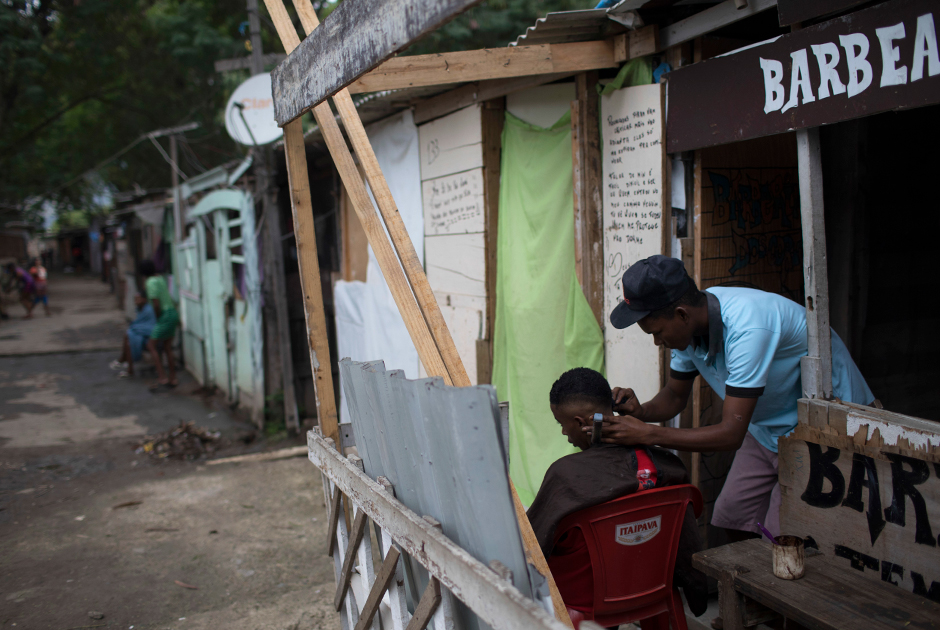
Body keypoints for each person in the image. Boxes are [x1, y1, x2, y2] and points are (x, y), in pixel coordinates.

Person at [597, 255, 874, 539]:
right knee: (730, 521)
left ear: (681, 314)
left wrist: (646, 435)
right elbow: (673, 396)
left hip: (823, 431)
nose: (657, 342)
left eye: (657, 333)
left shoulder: (748, 327)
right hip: (766, 428)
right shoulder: (689, 327)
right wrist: (640, 412)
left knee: (783, 543)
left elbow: (730, 435)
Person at [527, 367, 708, 619]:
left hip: (585, 597)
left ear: (580, 423)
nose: (563, 432)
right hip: (654, 586)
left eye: (562, 424)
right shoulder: (667, 465)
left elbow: (533, 542)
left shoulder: (565, 475)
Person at [138, 259, 179, 390]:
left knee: (151, 345)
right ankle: (173, 378)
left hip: (165, 314)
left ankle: (162, 377)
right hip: (172, 312)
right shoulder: (160, 278)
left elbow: (156, 304)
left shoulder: (150, 282)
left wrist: (157, 318)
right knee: (167, 347)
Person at [110, 294, 157, 378]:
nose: (136, 302)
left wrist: (135, 328)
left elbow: (150, 326)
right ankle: (127, 365)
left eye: (138, 299)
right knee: (129, 338)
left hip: (149, 336)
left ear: (144, 299)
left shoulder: (148, 310)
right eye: (135, 300)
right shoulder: (140, 309)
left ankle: (124, 361)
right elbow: (140, 324)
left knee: (129, 336)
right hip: (142, 334)